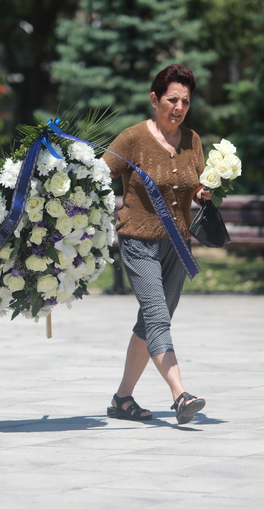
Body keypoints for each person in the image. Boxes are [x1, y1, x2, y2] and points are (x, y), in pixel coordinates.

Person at [101, 63, 211, 425]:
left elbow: (194, 182)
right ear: (155, 99)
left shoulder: (192, 139)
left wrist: (205, 190)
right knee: (158, 316)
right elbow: (100, 175)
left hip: (177, 246)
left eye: (185, 101)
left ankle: (122, 400)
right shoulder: (133, 138)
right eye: (171, 100)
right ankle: (181, 395)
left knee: (149, 324)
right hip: (139, 242)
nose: (178, 108)